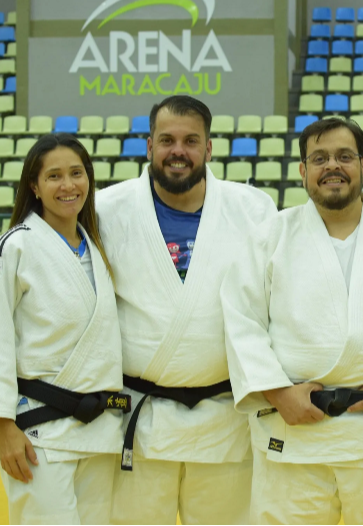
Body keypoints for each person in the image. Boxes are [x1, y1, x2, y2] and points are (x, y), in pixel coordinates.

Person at [221, 117, 363, 525]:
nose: (332, 166)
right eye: (320, 158)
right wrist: (278, 393)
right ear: (303, 171)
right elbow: (242, 320)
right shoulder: (270, 236)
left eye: (345, 156)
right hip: (294, 430)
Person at [96, 96, 276, 525]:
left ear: (209, 148)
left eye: (191, 140)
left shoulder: (253, 210)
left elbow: (276, 306)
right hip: (138, 420)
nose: (178, 150)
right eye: (167, 140)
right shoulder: (106, 209)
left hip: (224, 420)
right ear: (149, 146)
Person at [0, 134, 126, 524]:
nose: (68, 185)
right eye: (54, 176)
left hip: (98, 429)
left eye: (77, 173)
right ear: (34, 187)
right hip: (37, 430)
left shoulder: (98, 247)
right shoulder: (10, 250)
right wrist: (4, 428)